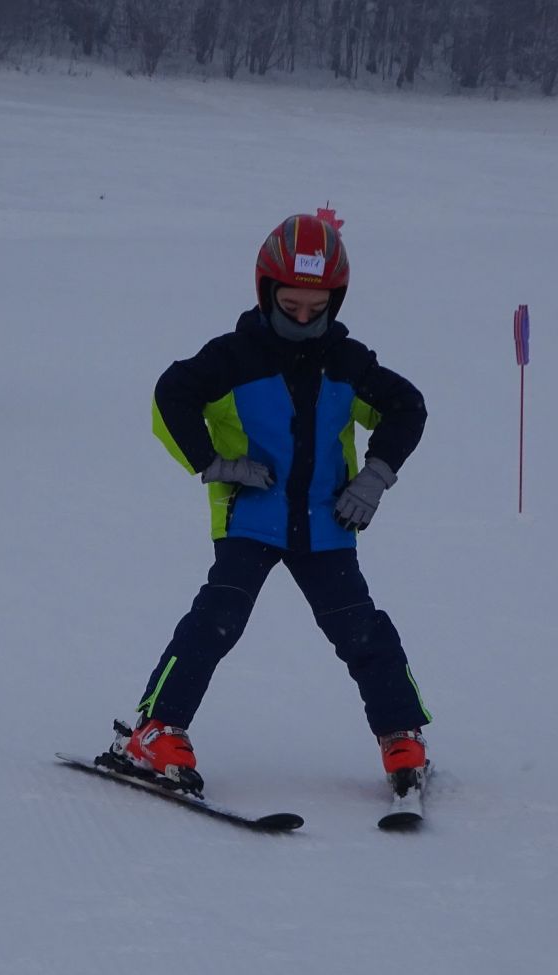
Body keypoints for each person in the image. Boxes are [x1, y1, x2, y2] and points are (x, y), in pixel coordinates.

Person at [110, 213, 431, 791]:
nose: (303, 319)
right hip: (252, 518)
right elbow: (171, 395)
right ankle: (154, 731)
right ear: (265, 293)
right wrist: (212, 462)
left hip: (328, 522)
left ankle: (401, 736)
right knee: (216, 622)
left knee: (362, 632)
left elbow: (407, 406)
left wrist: (374, 477)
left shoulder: (347, 361)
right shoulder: (232, 357)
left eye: (317, 308)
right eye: (290, 306)